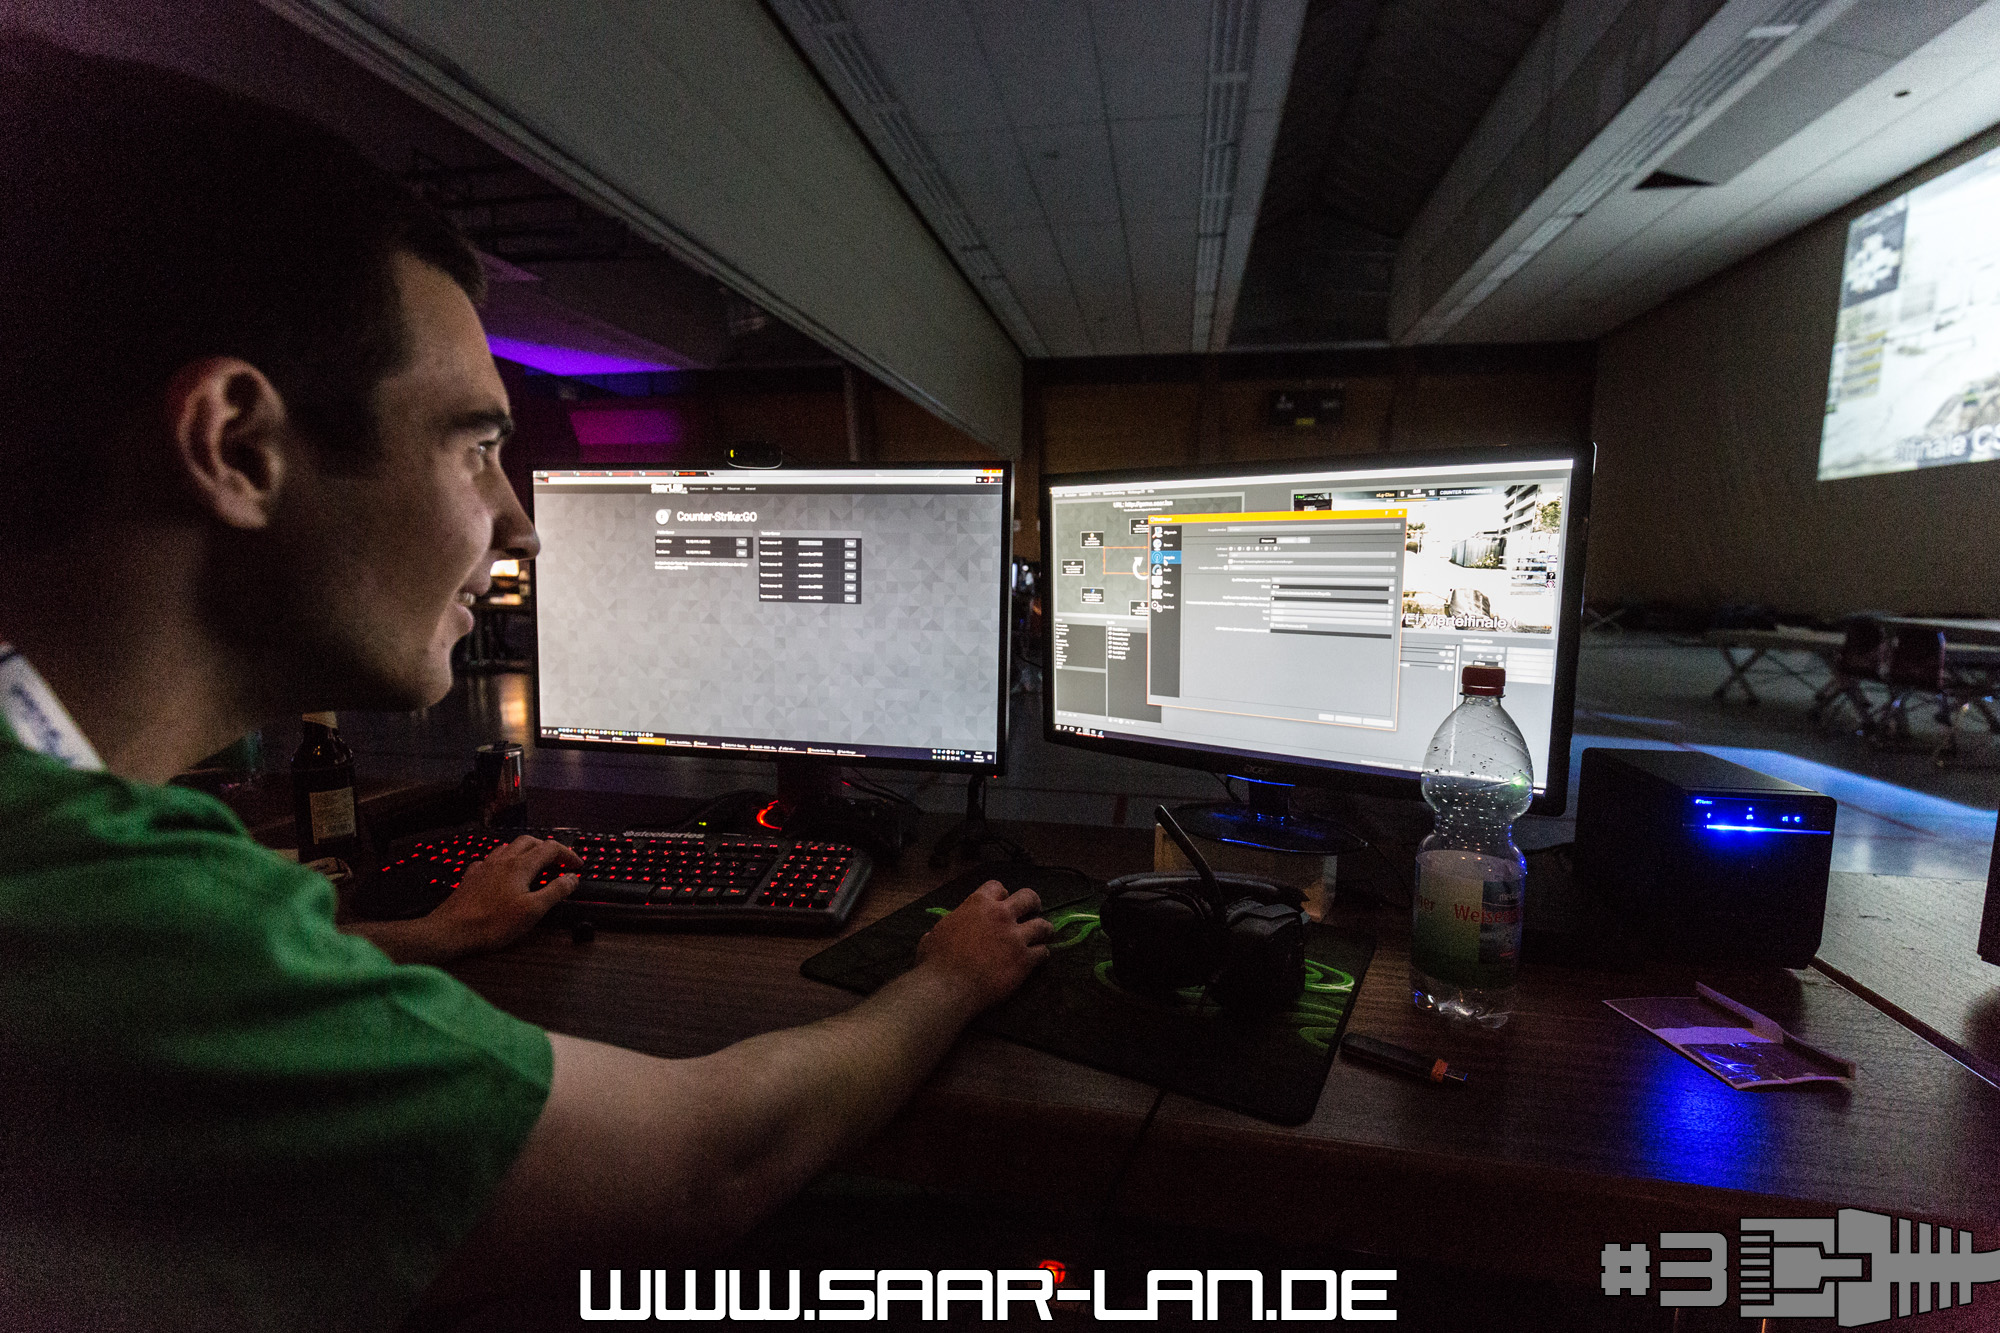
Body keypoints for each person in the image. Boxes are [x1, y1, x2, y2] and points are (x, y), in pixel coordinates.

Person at [0, 33, 1051, 1331]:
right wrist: (950, 975)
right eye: (474, 444)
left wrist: (420, 939)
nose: (519, 526)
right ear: (237, 445)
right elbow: (714, 1161)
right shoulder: (107, 908)